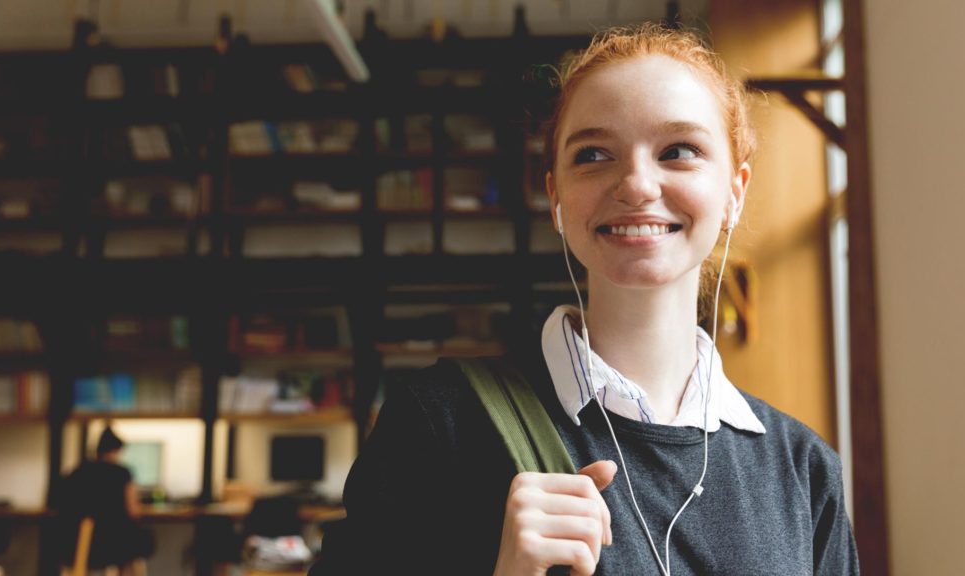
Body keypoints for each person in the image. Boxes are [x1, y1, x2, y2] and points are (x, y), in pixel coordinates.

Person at [310, 22, 858, 575]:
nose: (637, 185)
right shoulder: (439, 423)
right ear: (555, 197)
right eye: (594, 154)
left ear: (733, 195)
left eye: (679, 150)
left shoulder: (803, 470)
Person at [56, 426, 154, 574]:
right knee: (139, 540)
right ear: (116, 451)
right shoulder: (122, 473)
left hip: (80, 545)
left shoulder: (78, 471)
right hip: (115, 546)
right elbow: (133, 511)